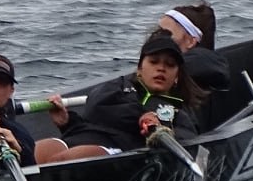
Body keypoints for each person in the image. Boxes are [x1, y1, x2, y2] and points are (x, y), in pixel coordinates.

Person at [35, 34, 204, 163]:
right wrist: (68, 122)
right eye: (154, 62)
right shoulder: (118, 87)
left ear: (176, 77)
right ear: (139, 68)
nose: (161, 68)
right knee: (34, 153)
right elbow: (97, 109)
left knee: (63, 160)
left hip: (117, 153)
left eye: (169, 65)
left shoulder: (178, 113)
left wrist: (161, 129)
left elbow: (187, 144)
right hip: (80, 136)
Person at [154, 1, 232, 94]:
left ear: (190, 41)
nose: (156, 38)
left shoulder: (192, 71)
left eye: (166, 34)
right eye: (157, 32)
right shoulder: (213, 66)